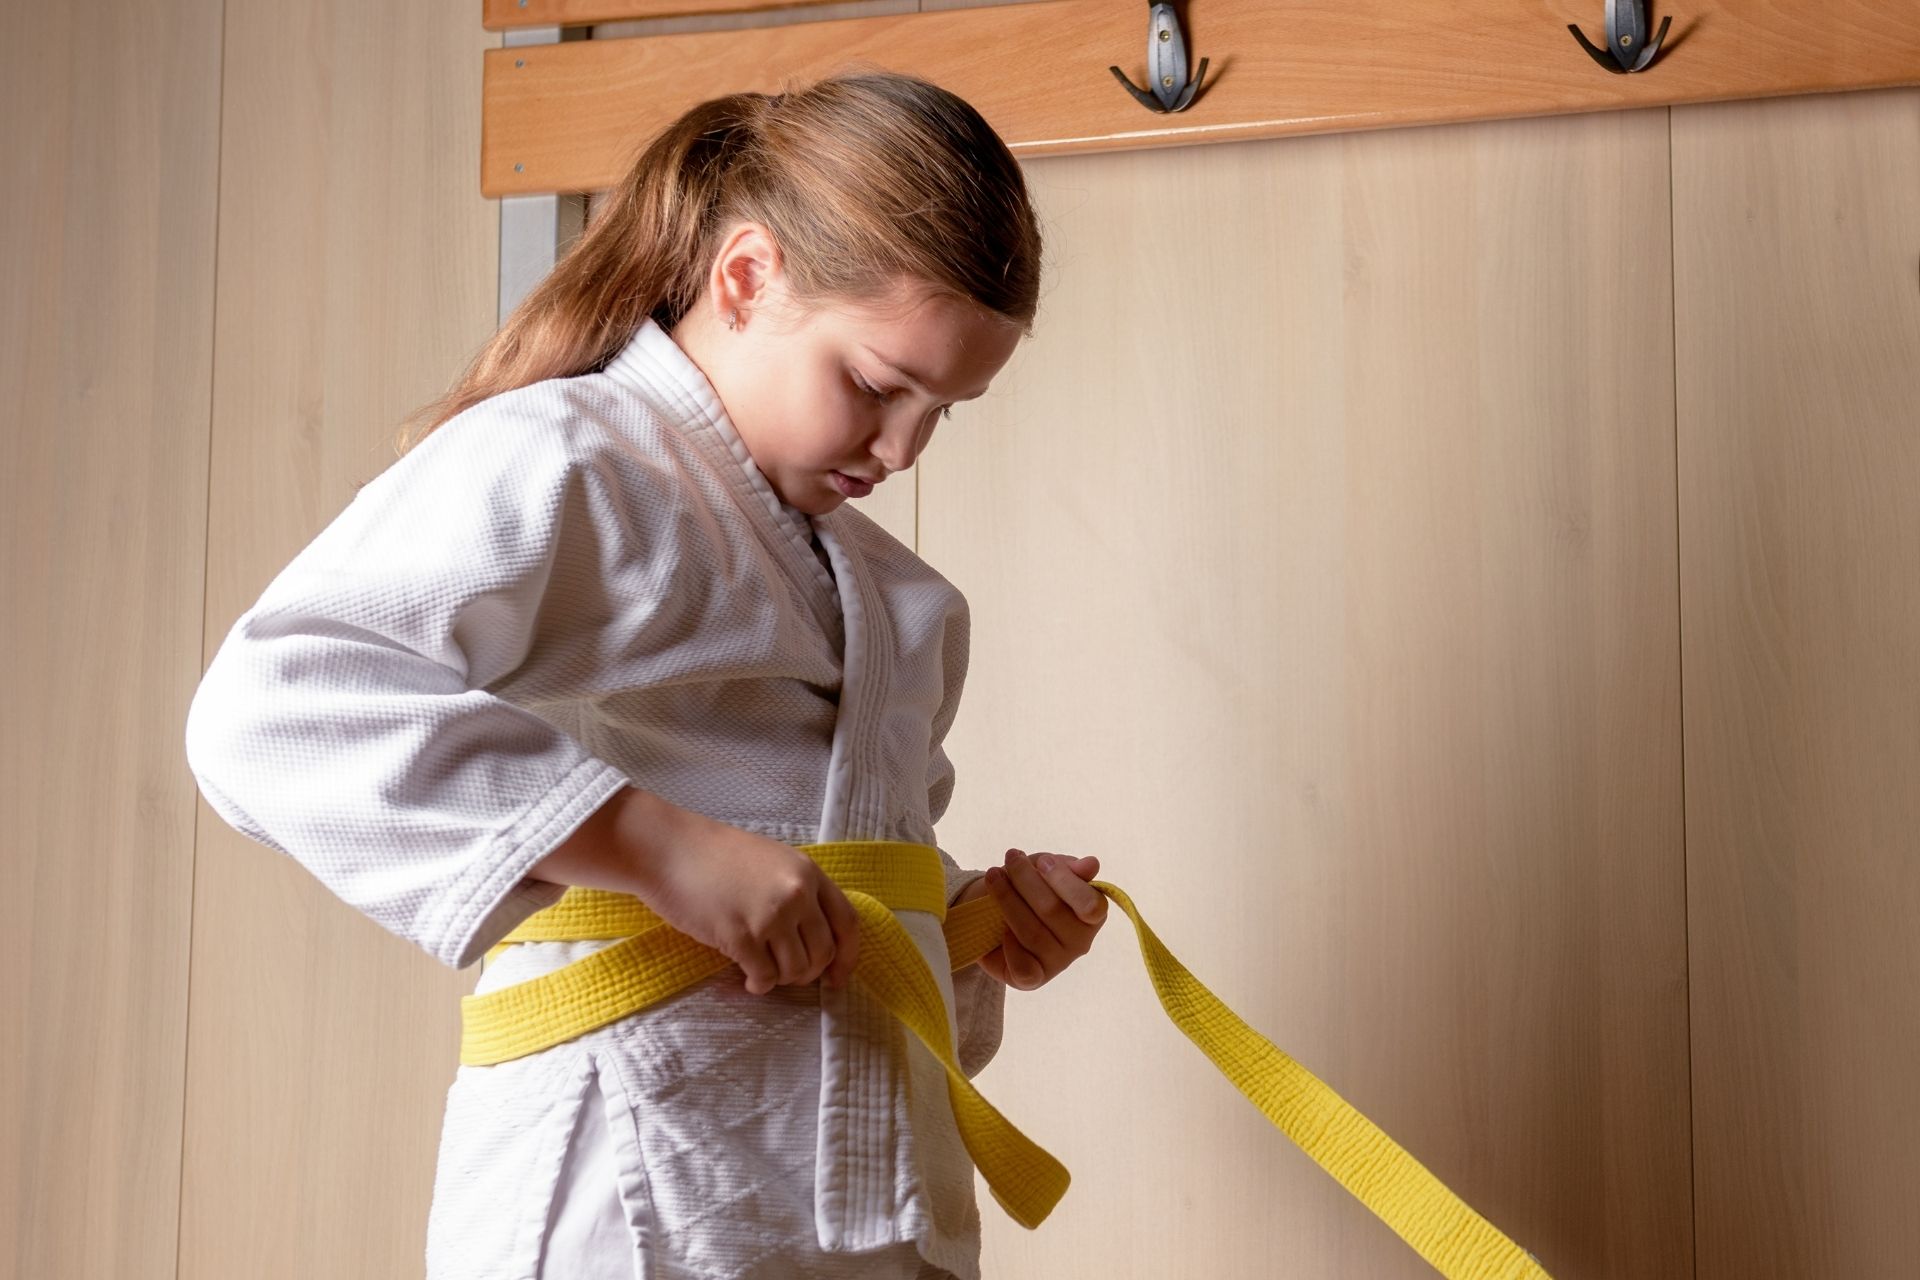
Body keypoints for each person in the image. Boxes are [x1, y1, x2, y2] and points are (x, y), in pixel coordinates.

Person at [181, 71, 1110, 1280]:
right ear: (745, 276)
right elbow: (272, 711)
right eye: (879, 385)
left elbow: (821, 891)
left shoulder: (906, 604)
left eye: (948, 410)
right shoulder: (565, 460)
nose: (902, 449)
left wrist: (974, 932)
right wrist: (657, 847)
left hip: (867, 1212)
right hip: (620, 1192)